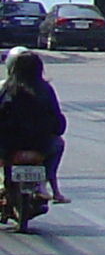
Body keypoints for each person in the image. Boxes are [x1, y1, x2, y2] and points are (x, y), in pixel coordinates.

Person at [0, 47, 67, 202]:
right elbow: (56, 119)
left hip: (8, 146)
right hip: (40, 144)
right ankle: (45, 182)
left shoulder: (6, 89)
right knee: (58, 145)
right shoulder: (45, 90)